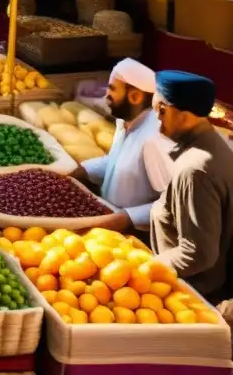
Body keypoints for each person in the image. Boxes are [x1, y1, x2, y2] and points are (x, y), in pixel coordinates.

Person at [149, 71, 233, 303]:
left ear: (186, 115)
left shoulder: (195, 169)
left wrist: (141, 269)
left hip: (190, 294)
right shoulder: (212, 145)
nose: (158, 123)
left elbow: (196, 254)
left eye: (161, 111)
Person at [70, 59, 173, 231]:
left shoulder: (158, 139)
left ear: (135, 96)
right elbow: (116, 161)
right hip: (109, 218)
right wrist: (84, 170)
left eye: (112, 89)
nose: (106, 96)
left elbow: (174, 203)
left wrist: (129, 218)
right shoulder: (125, 122)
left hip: (138, 234)